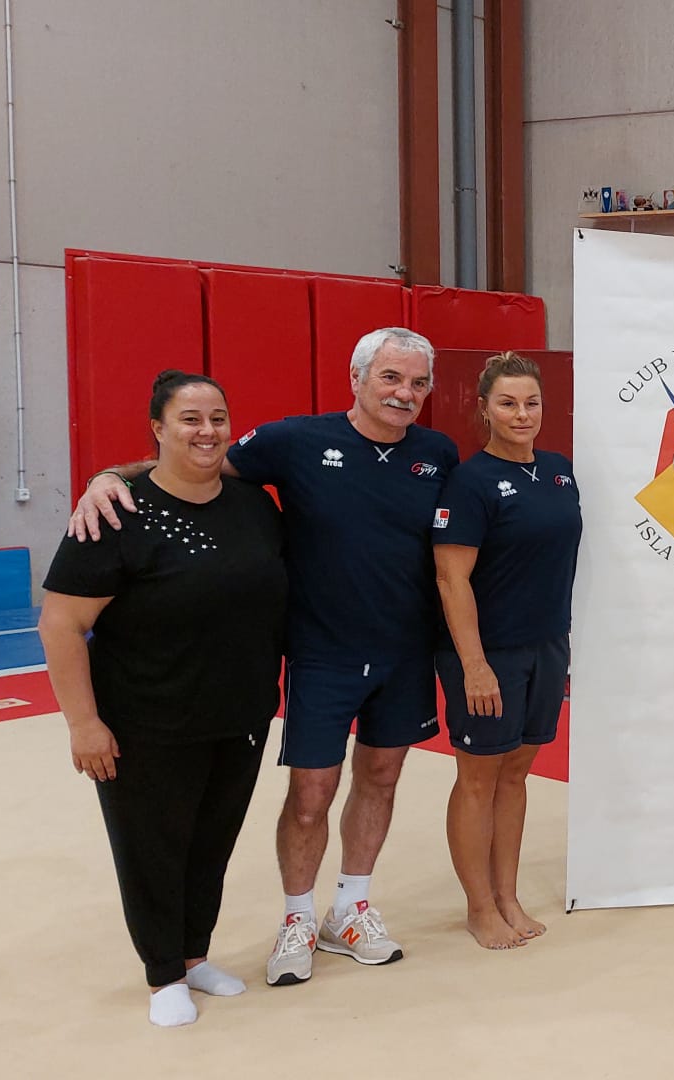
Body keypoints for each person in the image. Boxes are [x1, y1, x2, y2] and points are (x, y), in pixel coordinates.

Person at [70, 327, 461, 986]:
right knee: (311, 795)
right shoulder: (294, 441)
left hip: (402, 652)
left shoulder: (438, 453)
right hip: (321, 653)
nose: (406, 393)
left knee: (383, 778)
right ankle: (299, 917)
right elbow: (192, 464)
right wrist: (108, 477)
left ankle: (351, 906)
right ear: (357, 378)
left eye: (418, 382)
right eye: (392, 378)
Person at [40, 371, 287, 1027]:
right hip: (146, 720)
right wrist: (83, 723)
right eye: (189, 419)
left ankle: (194, 956)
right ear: (157, 428)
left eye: (217, 418)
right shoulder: (115, 513)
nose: (206, 432)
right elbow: (61, 624)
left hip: (238, 716)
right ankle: (161, 976)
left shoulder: (253, 505)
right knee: (153, 849)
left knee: (211, 845)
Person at [433, 353, 582, 949]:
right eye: (508, 403)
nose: (522, 414)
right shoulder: (470, 482)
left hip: (546, 645)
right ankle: (478, 906)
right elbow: (451, 578)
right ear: (484, 409)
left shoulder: (558, 471)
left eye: (531, 402)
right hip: (488, 653)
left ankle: (507, 895)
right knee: (478, 778)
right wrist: (474, 665)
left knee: (517, 772)